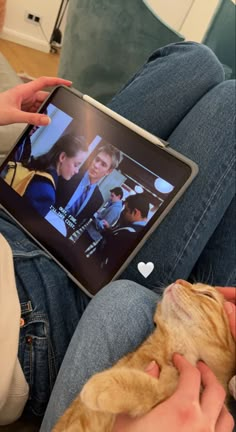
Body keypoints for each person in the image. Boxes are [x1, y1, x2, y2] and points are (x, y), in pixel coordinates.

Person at [0, 42, 234, 432]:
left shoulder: (77, 186)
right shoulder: (85, 193)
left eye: (99, 164)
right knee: (230, 104)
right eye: (86, 162)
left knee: (195, 60)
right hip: (42, 317)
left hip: (10, 221)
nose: (88, 170)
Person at [3, 134, 88, 217]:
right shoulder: (47, 194)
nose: (77, 171)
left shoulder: (34, 164)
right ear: (62, 157)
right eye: (76, 165)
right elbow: (20, 227)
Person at [56, 143, 122, 229]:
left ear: (108, 171)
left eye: (103, 164)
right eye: (97, 159)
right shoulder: (70, 174)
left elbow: (77, 225)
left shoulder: (98, 200)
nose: (96, 165)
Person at [98, 193, 149, 270]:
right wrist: (108, 229)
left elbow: (113, 246)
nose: (124, 213)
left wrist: (105, 231)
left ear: (135, 212)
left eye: (126, 210)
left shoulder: (131, 233)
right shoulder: (140, 231)